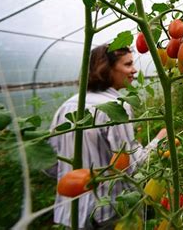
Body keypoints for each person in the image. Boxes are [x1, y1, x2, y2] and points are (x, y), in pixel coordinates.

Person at [49, 44, 167, 229]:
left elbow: (49, 162)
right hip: (105, 214)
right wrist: (159, 140)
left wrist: (76, 179)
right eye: (128, 64)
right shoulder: (116, 106)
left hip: (69, 214)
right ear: (106, 68)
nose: (134, 70)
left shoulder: (67, 106)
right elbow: (132, 167)